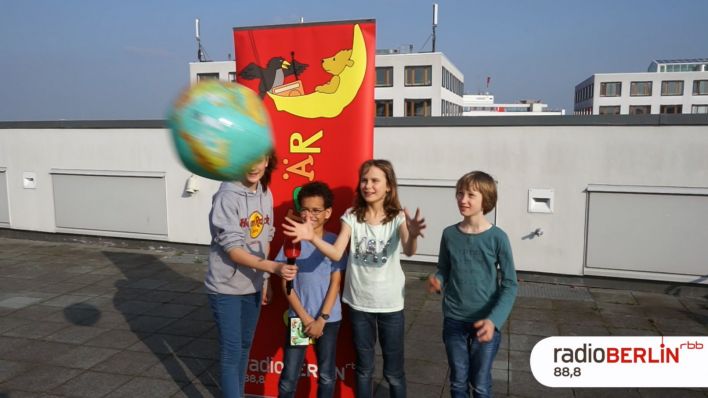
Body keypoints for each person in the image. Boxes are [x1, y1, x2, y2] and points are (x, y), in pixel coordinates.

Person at [284, 159, 426, 398]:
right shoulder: (352, 216)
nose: (368, 186)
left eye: (375, 181)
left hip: (390, 304)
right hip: (359, 304)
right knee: (364, 369)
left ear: (389, 186)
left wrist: (412, 235)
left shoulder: (398, 217)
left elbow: (410, 250)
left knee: (393, 372)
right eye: (364, 180)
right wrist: (312, 238)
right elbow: (337, 252)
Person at [206, 152, 298, 398]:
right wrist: (273, 268)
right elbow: (234, 251)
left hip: (254, 286)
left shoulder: (265, 193)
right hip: (225, 286)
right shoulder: (227, 196)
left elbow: (265, 238)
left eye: (259, 158)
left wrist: (265, 280)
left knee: (245, 347)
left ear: (267, 161)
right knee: (231, 351)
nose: (253, 165)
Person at [427, 171, 518, 398]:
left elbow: (510, 284)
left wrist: (494, 321)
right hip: (454, 320)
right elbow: (444, 269)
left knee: (480, 385)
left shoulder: (498, 238)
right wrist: (438, 280)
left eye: (470, 195)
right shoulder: (449, 234)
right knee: (457, 383)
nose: (462, 200)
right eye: (459, 193)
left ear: (485, 199)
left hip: (485, 323)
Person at [276, 181, 347, 398]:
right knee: (289, 375)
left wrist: (321, 319)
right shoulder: (291, 241)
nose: (309, 215)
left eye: (316, 210)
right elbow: (285, 284)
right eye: (304, 209)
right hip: (299, 318)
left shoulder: (334, 242)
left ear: (328, 213)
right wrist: (307, 319)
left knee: (326, 374)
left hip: (329, 318)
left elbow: (336, 282)